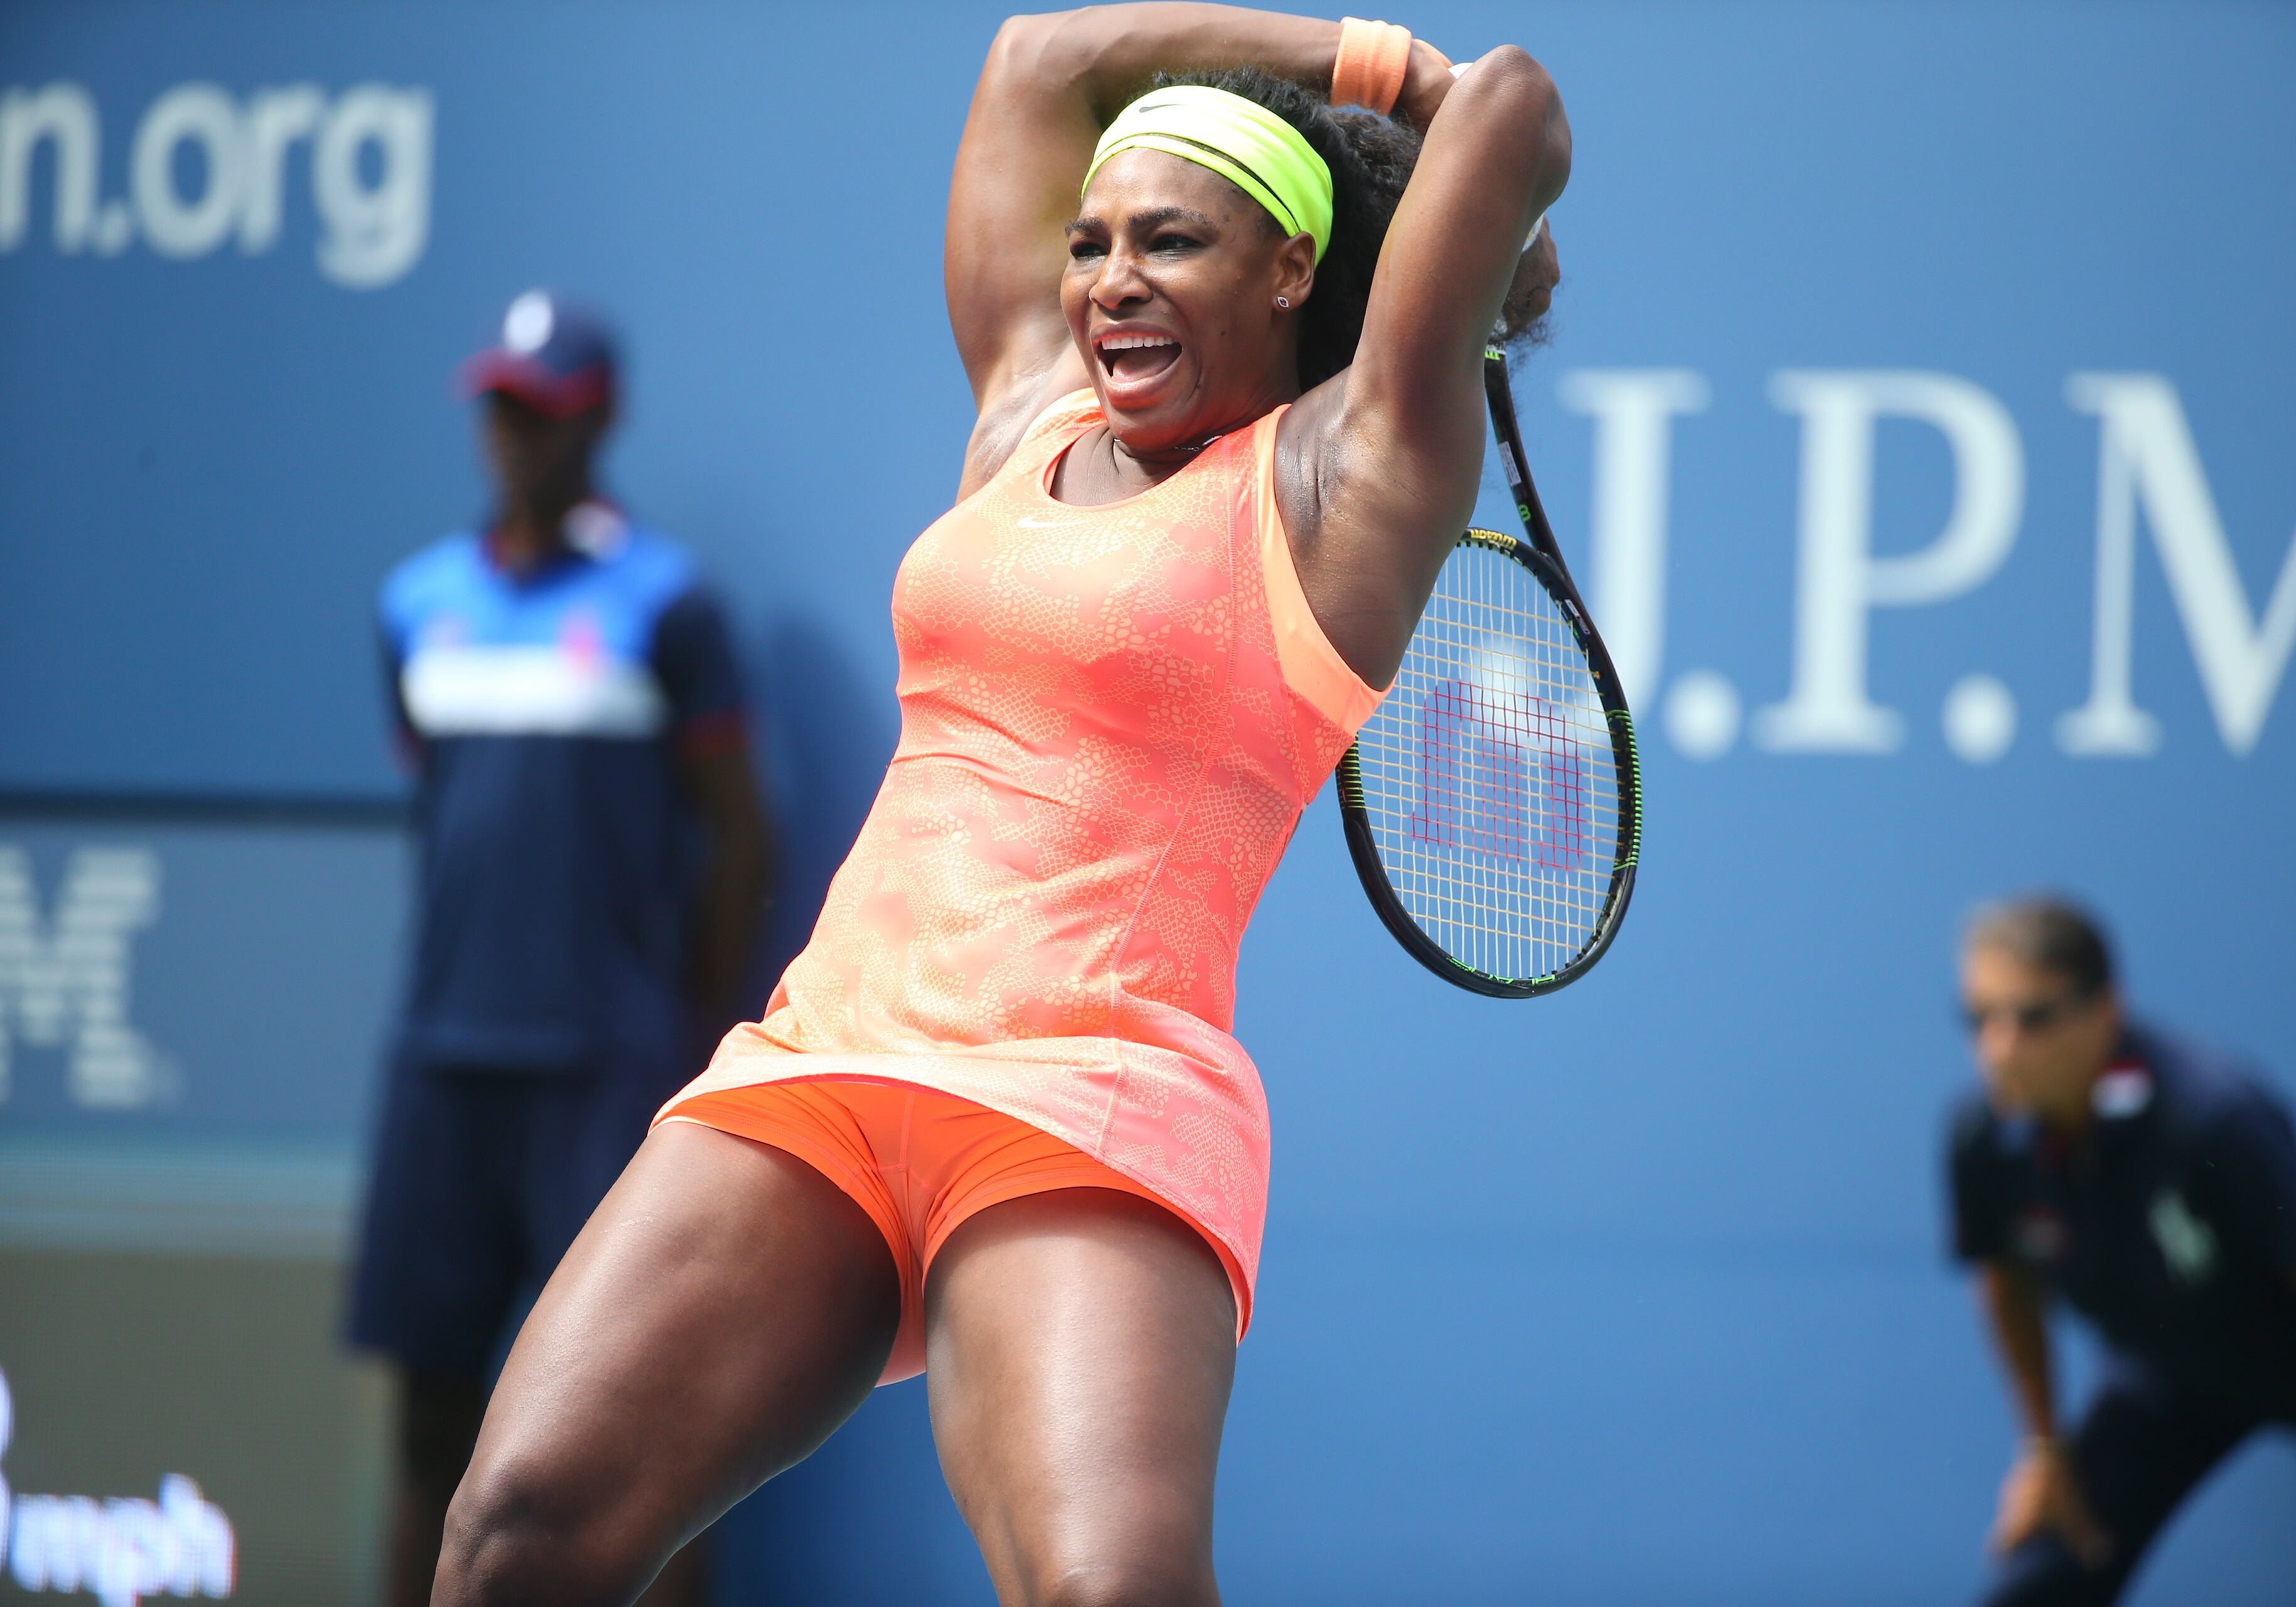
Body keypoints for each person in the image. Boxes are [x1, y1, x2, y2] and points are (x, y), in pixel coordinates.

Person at [428, 9, 1565, 1603]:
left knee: (1106, 1585)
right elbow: (1038, 58)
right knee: (516, 1532)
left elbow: (1513, 103)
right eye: (1091, 240)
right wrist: (1348, 56)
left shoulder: (1348, 472)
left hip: (1087, 1098)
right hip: (821, 1063)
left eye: (1170, 240)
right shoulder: (1027, 411)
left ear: (1292, 270)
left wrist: (1402, 97)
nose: (1108, 278)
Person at [348, 291, 773, 1607]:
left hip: (608, 1068)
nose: (514, 435)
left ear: (597, 419)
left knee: (641, 1426)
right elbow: (447, 814)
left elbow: (741, 838)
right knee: (431, 1420)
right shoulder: (416, 601)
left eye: (541, 411)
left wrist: (678, 1027)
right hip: (444, 1063)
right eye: (499, 408)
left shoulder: (668, 602)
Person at [1946, 896, 2296, 1606]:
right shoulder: (1982, 1139)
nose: (2000, 1047)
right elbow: (2006, 1282)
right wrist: (2043, 1450)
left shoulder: (2208, 1120)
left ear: (2105, 1010)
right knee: (2042, 1576)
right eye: (1981, 1019)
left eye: (2033, 1018)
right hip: (2171, 1370)